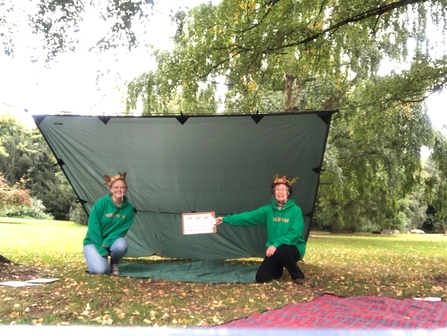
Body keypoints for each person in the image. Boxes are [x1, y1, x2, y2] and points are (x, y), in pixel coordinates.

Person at [215, 175, 306, 285]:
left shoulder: (295, 210)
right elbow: (248, 217)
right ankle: (278, 270)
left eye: (283, 189)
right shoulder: (268, 210)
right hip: (274, 250)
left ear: (288, 192)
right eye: (277, 189)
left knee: (282, 250)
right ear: (274, 192)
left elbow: (295, 233)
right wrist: (225, 219)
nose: (280, 192)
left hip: (293, 248)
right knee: (261, 277)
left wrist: (275, 244)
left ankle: (297, 275)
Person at [83, 172, 135, 275]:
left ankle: (114, 263)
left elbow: (121, 231)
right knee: (101, 270)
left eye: (122, 187)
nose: (119, 190)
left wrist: (106, 243)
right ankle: (98, 259)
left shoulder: (129, 209)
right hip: (93, 242)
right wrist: (101, 248)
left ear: (126, 189)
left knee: (122, 244)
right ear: (111, 189)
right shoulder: (100, 204)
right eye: (116, 187)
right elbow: (93, 228)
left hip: (110, 242)